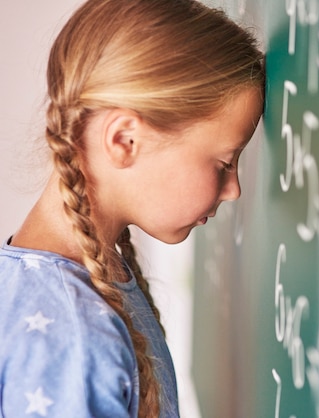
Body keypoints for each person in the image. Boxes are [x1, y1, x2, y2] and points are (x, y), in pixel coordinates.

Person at [0, 0, 265, 416]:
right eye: (224, 163)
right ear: (125, 140)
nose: (233, 189)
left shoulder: (57, 283)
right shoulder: (74, 334)